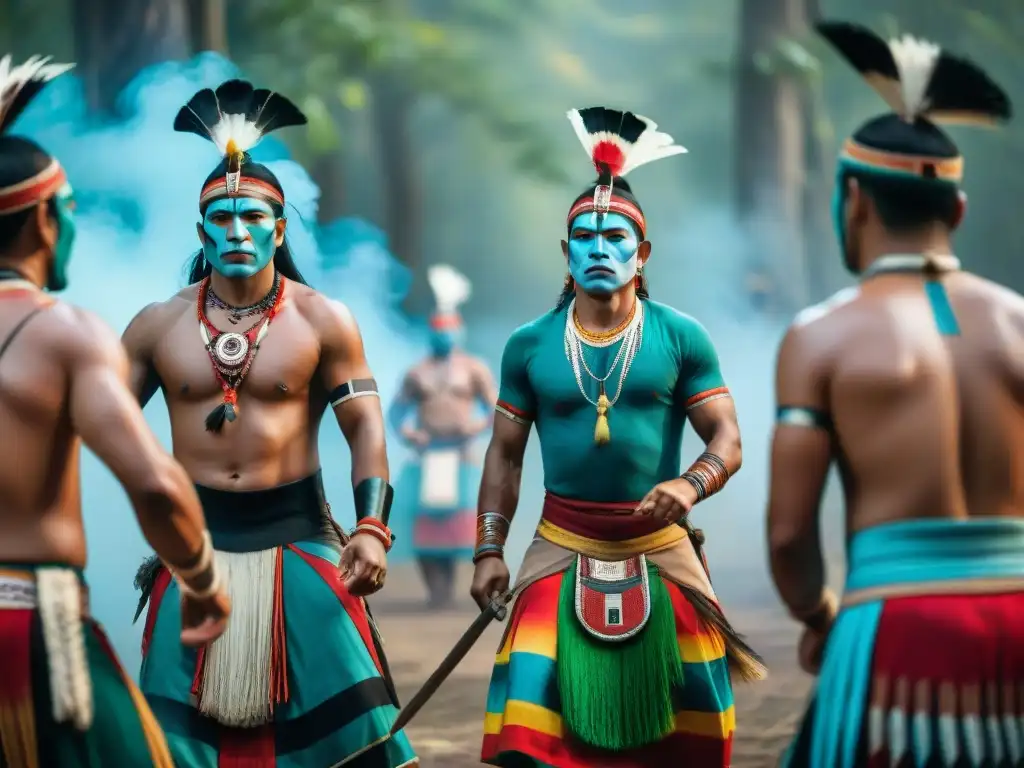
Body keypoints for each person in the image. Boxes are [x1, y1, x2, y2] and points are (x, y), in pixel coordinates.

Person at [124, 80, 417, 767]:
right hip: (191, 557)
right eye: (220, 219)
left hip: (302, 546)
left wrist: (371, 528)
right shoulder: (158, 325)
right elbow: (86, 418)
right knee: (166, 751)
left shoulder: (322, 320)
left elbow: (366, 430)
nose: (235, 232)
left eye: (251, 217)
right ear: (201, 230)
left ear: (279, 228)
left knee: (360, 741)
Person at [471, 107, 765, 768]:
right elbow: (505, 456)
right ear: (566, 253)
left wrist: (689, 487)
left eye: (614, 237)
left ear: (643, 254)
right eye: (584, 237)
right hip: (560, 543)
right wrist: (488, 550)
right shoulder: (529, 345)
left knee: (699, 728)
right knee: (528, 726)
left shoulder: (680, 336)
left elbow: (728, 439)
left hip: (660, 544)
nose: (599, 249)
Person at [770, 22, 1024, 768]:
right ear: (958, 210)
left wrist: (818, 615)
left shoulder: (822, 336)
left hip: (896, 627)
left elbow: (789, 538)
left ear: (853, 202)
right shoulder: (1021, 322)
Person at [0, 55, 229, 767]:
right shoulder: (62, 332)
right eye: (67, 210)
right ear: (43, 219)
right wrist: (204, 582)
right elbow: (157, 485)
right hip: (29, 634)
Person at [389, 264, 497, 608]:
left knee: (459, 524)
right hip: (427, 455)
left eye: (449, 329)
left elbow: (497, 410)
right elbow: (396, 414)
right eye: (439, 329)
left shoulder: (474, 368)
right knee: (425, 525)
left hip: (462, 454)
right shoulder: (416, 372)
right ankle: (434, 589)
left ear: (458, 331)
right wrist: (410, 434)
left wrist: (475, 428)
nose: (444, 335)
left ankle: (450, 588)